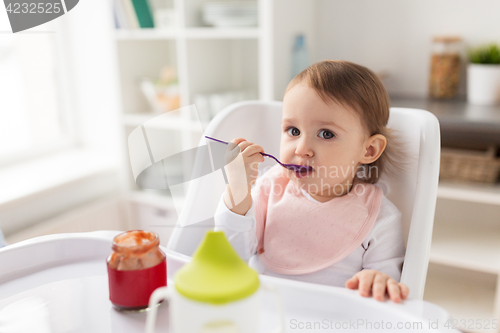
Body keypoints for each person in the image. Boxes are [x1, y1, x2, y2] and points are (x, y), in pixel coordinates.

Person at [214, 60, 408, 303]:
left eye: (326, 134)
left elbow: (385, 286)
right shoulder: (269, 190)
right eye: (293, 131)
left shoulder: (380, 217)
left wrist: (378, 279)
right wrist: (238, 190)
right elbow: (228, 258)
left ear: (368, 150)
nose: (302, 149)